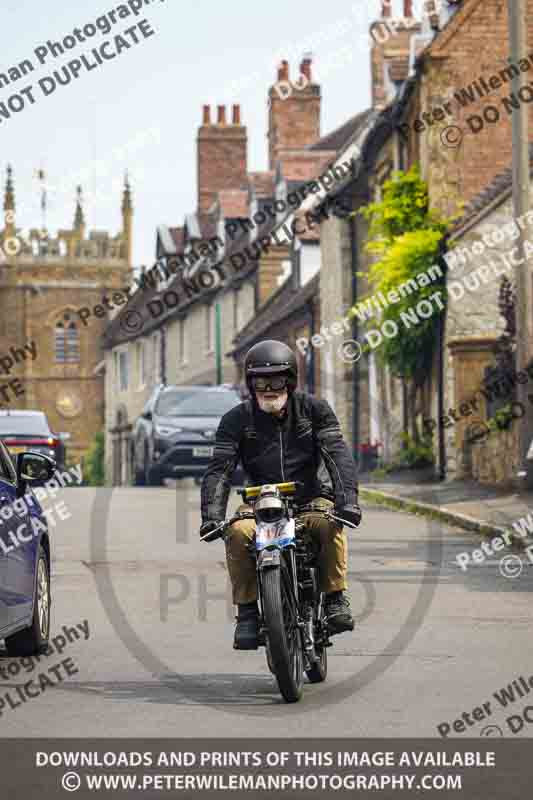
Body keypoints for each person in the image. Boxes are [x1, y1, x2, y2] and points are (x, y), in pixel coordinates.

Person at [200, 339, 361, 649]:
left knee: (329, 525)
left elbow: (337, 454)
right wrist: (211, 517)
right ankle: (247, 612)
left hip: (312, 499)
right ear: (250, 383)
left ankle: (335, 598)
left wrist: (347, 501)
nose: (269, 387)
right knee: (237, 532)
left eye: (276, 379)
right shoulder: (235, 420)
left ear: (290, 380)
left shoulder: (315, 410)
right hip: (260, 503)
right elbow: (219, 469)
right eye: (261, 380)